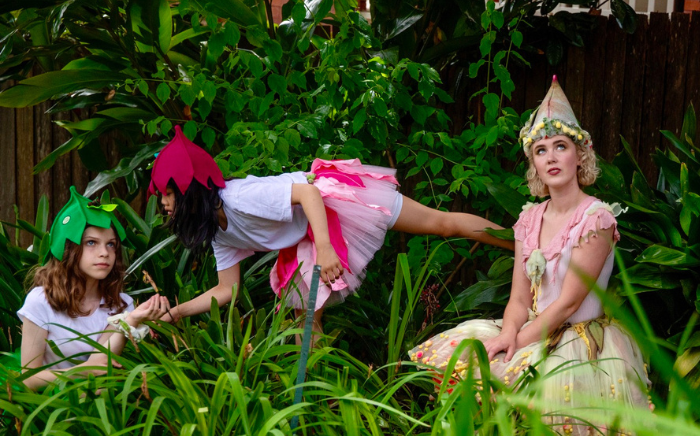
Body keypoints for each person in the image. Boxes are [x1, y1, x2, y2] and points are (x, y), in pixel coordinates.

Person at [408, 77, 650, 436]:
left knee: (551, 411)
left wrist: (518, 344)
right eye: (541, 150)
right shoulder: (529, 218)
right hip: (530, 325)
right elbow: (520, 297)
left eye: (560, 146)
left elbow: (568, 304)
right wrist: (507, 334)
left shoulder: (596, 218)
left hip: (576, 339)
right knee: (471, 356)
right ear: (534, 162)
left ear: (579, 155)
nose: (551, 157)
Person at [147, 126, 512, 329]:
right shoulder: (220, 231)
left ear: (192, 192)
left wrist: (325, 248)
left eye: (168, 194)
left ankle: (519, 242)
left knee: (442, 224)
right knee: (303, 319)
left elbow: (308, 193)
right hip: (311, 233)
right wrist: (176, 312)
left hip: (337, 201)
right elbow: (228, 289)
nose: (163, 204)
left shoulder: (241, 198)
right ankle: (319, 402)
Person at [17, 187, 169, 390]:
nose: (104, 253)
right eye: (91, 243)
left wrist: (131, 320)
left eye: (111, 245)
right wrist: (82, 372)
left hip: (102, 406)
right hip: (50, 408)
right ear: (69, 249)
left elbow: (101, 362)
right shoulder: (41, 301)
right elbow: (29, 379)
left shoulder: (121, 304)